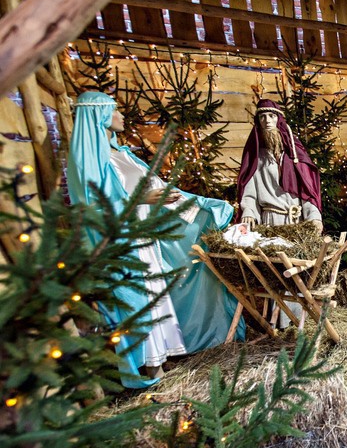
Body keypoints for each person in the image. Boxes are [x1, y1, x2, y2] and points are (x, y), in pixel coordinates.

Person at [67, 91, 244, 389]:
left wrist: (203, 207)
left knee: (155, 299)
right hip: (121, 243)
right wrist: (142, 198)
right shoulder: (88, 162)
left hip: (145, 239)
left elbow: (156, 189)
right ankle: (143, 372)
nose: (121, 116)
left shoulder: (122, 154)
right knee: (136, 303)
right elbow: (96, 206)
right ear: (98, 115)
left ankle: (158, 363)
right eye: (114, 111)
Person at [237, 99, 323, 233]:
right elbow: (249, 192)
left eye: (272, 116)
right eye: (262, 117)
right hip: (270, 222)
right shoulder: (256, 158)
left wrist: (314, 216)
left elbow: (307, 190)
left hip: (296, 221)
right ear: (258, 122)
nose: (267, 120)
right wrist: (248, 211)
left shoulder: (295, 155)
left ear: (279, 120)